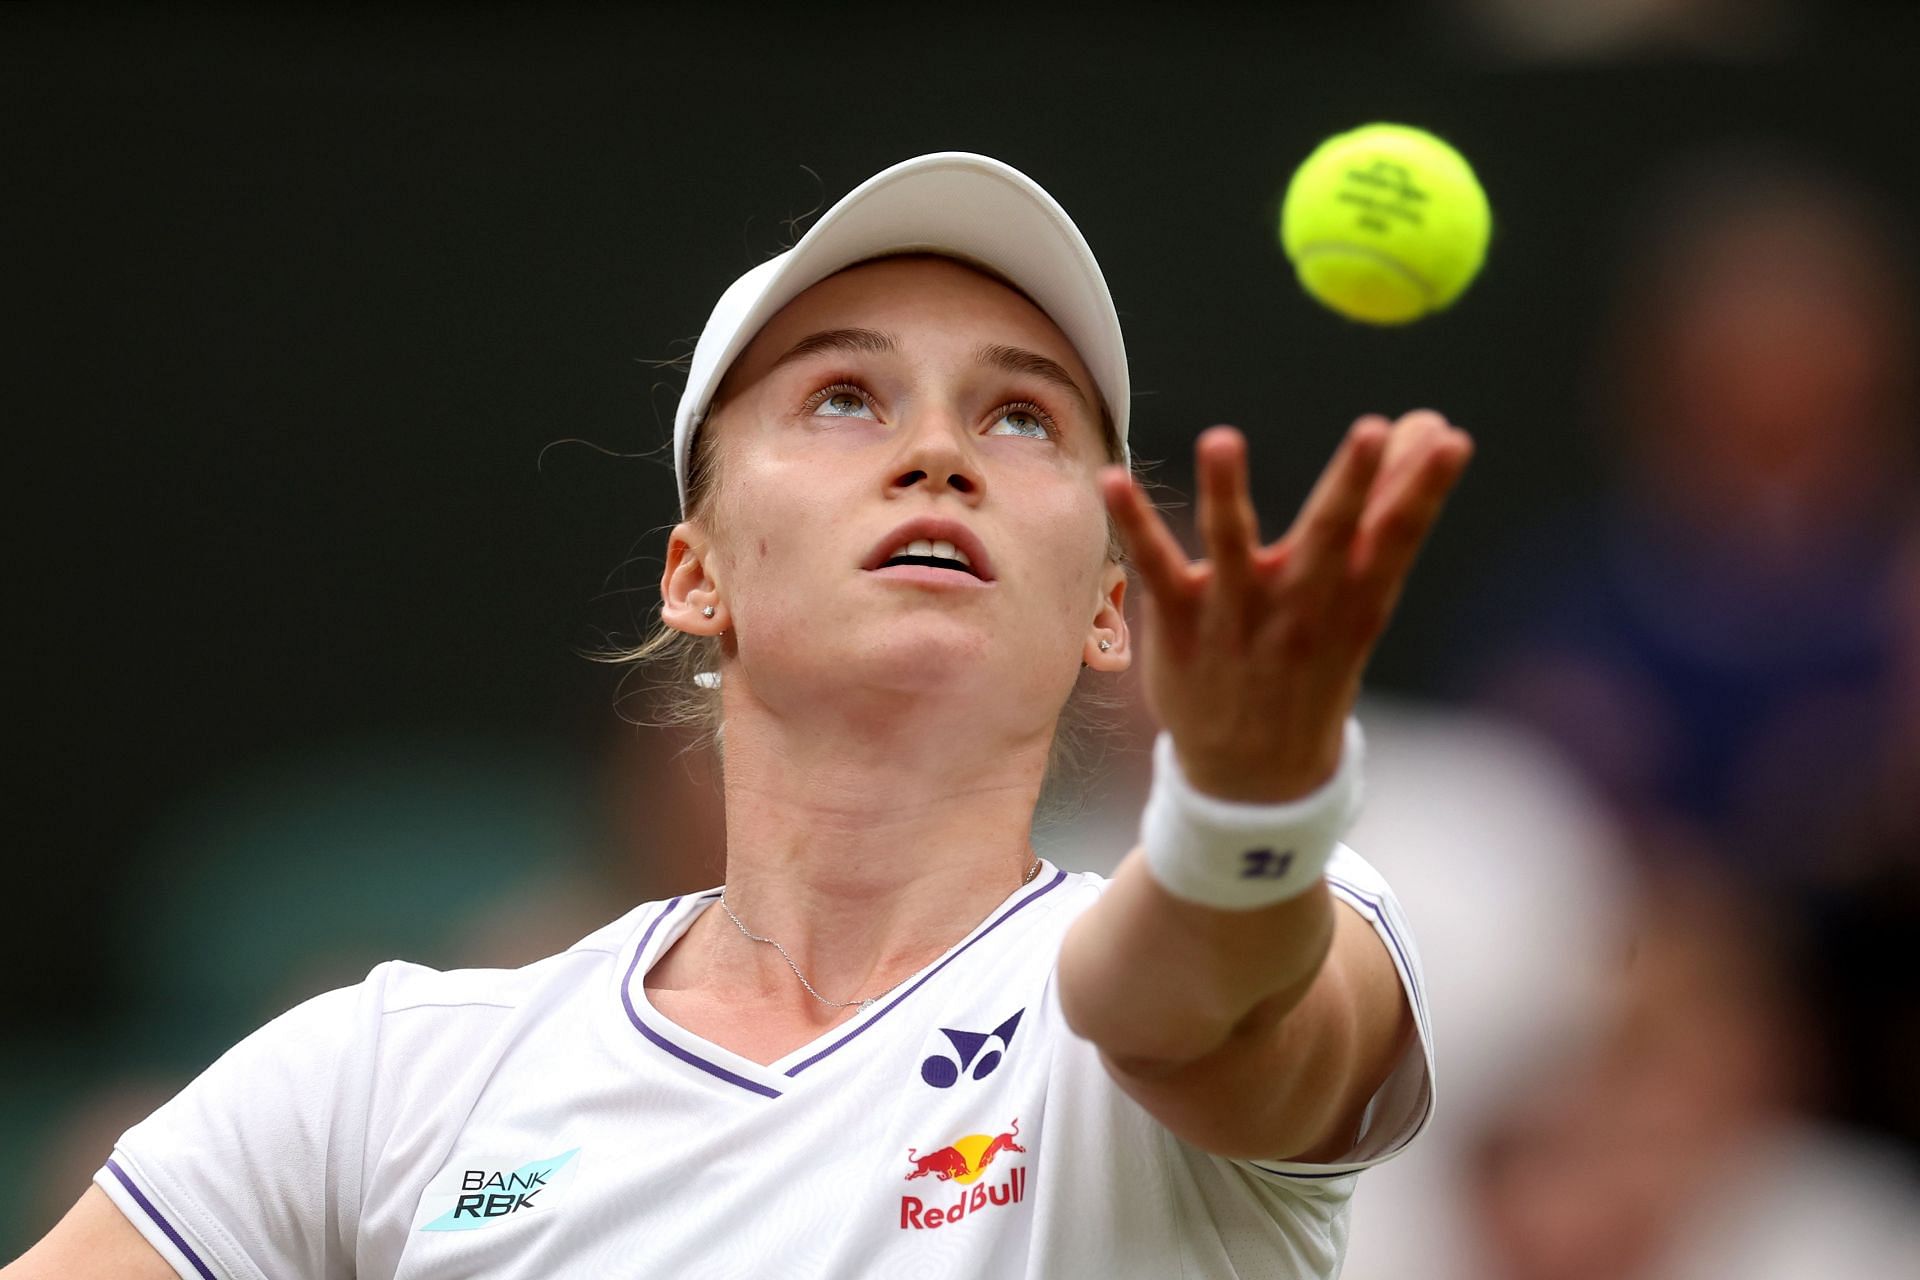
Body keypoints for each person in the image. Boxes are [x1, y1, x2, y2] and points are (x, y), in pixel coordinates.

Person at [5, 152, 1468, 1279]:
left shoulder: (1282, 905)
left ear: (1106, 608)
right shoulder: (385, 1077)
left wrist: (1246, 815)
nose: (941, 450)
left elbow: (1195, 1013)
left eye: (1022, 416)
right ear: (695, 573)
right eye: (845, 397)